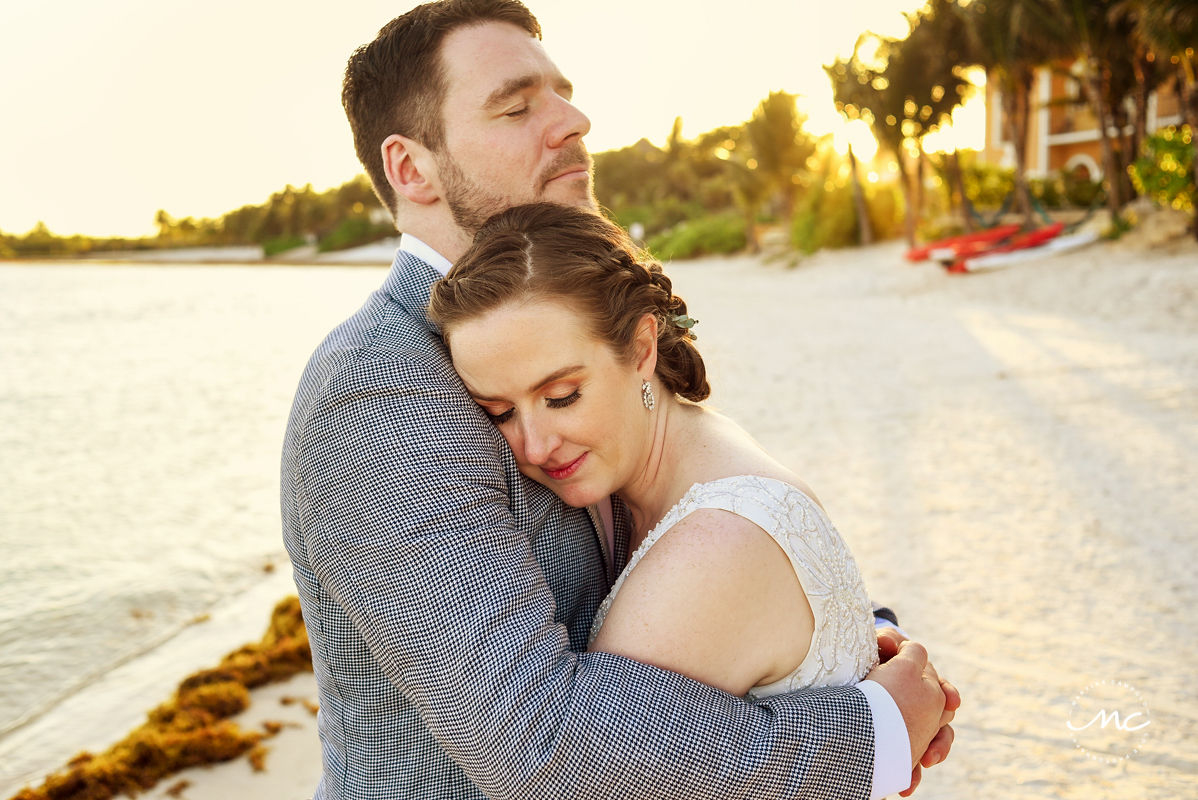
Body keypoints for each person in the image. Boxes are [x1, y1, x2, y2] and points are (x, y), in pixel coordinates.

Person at [280, 2, 958, 799]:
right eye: (517, 105)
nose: (573, 120)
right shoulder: (378, 388)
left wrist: (838, 638)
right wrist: (868, 733)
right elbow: (534, 744)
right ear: (411, 168)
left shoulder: (562, 311)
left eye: (562, 94)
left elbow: (691, 520)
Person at [429, 200, 887, 697]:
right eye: (500, 413)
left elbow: (597, 763)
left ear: (642, 350)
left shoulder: (711, 548)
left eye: (562, 397)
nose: (535, 447)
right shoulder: (701, 454)